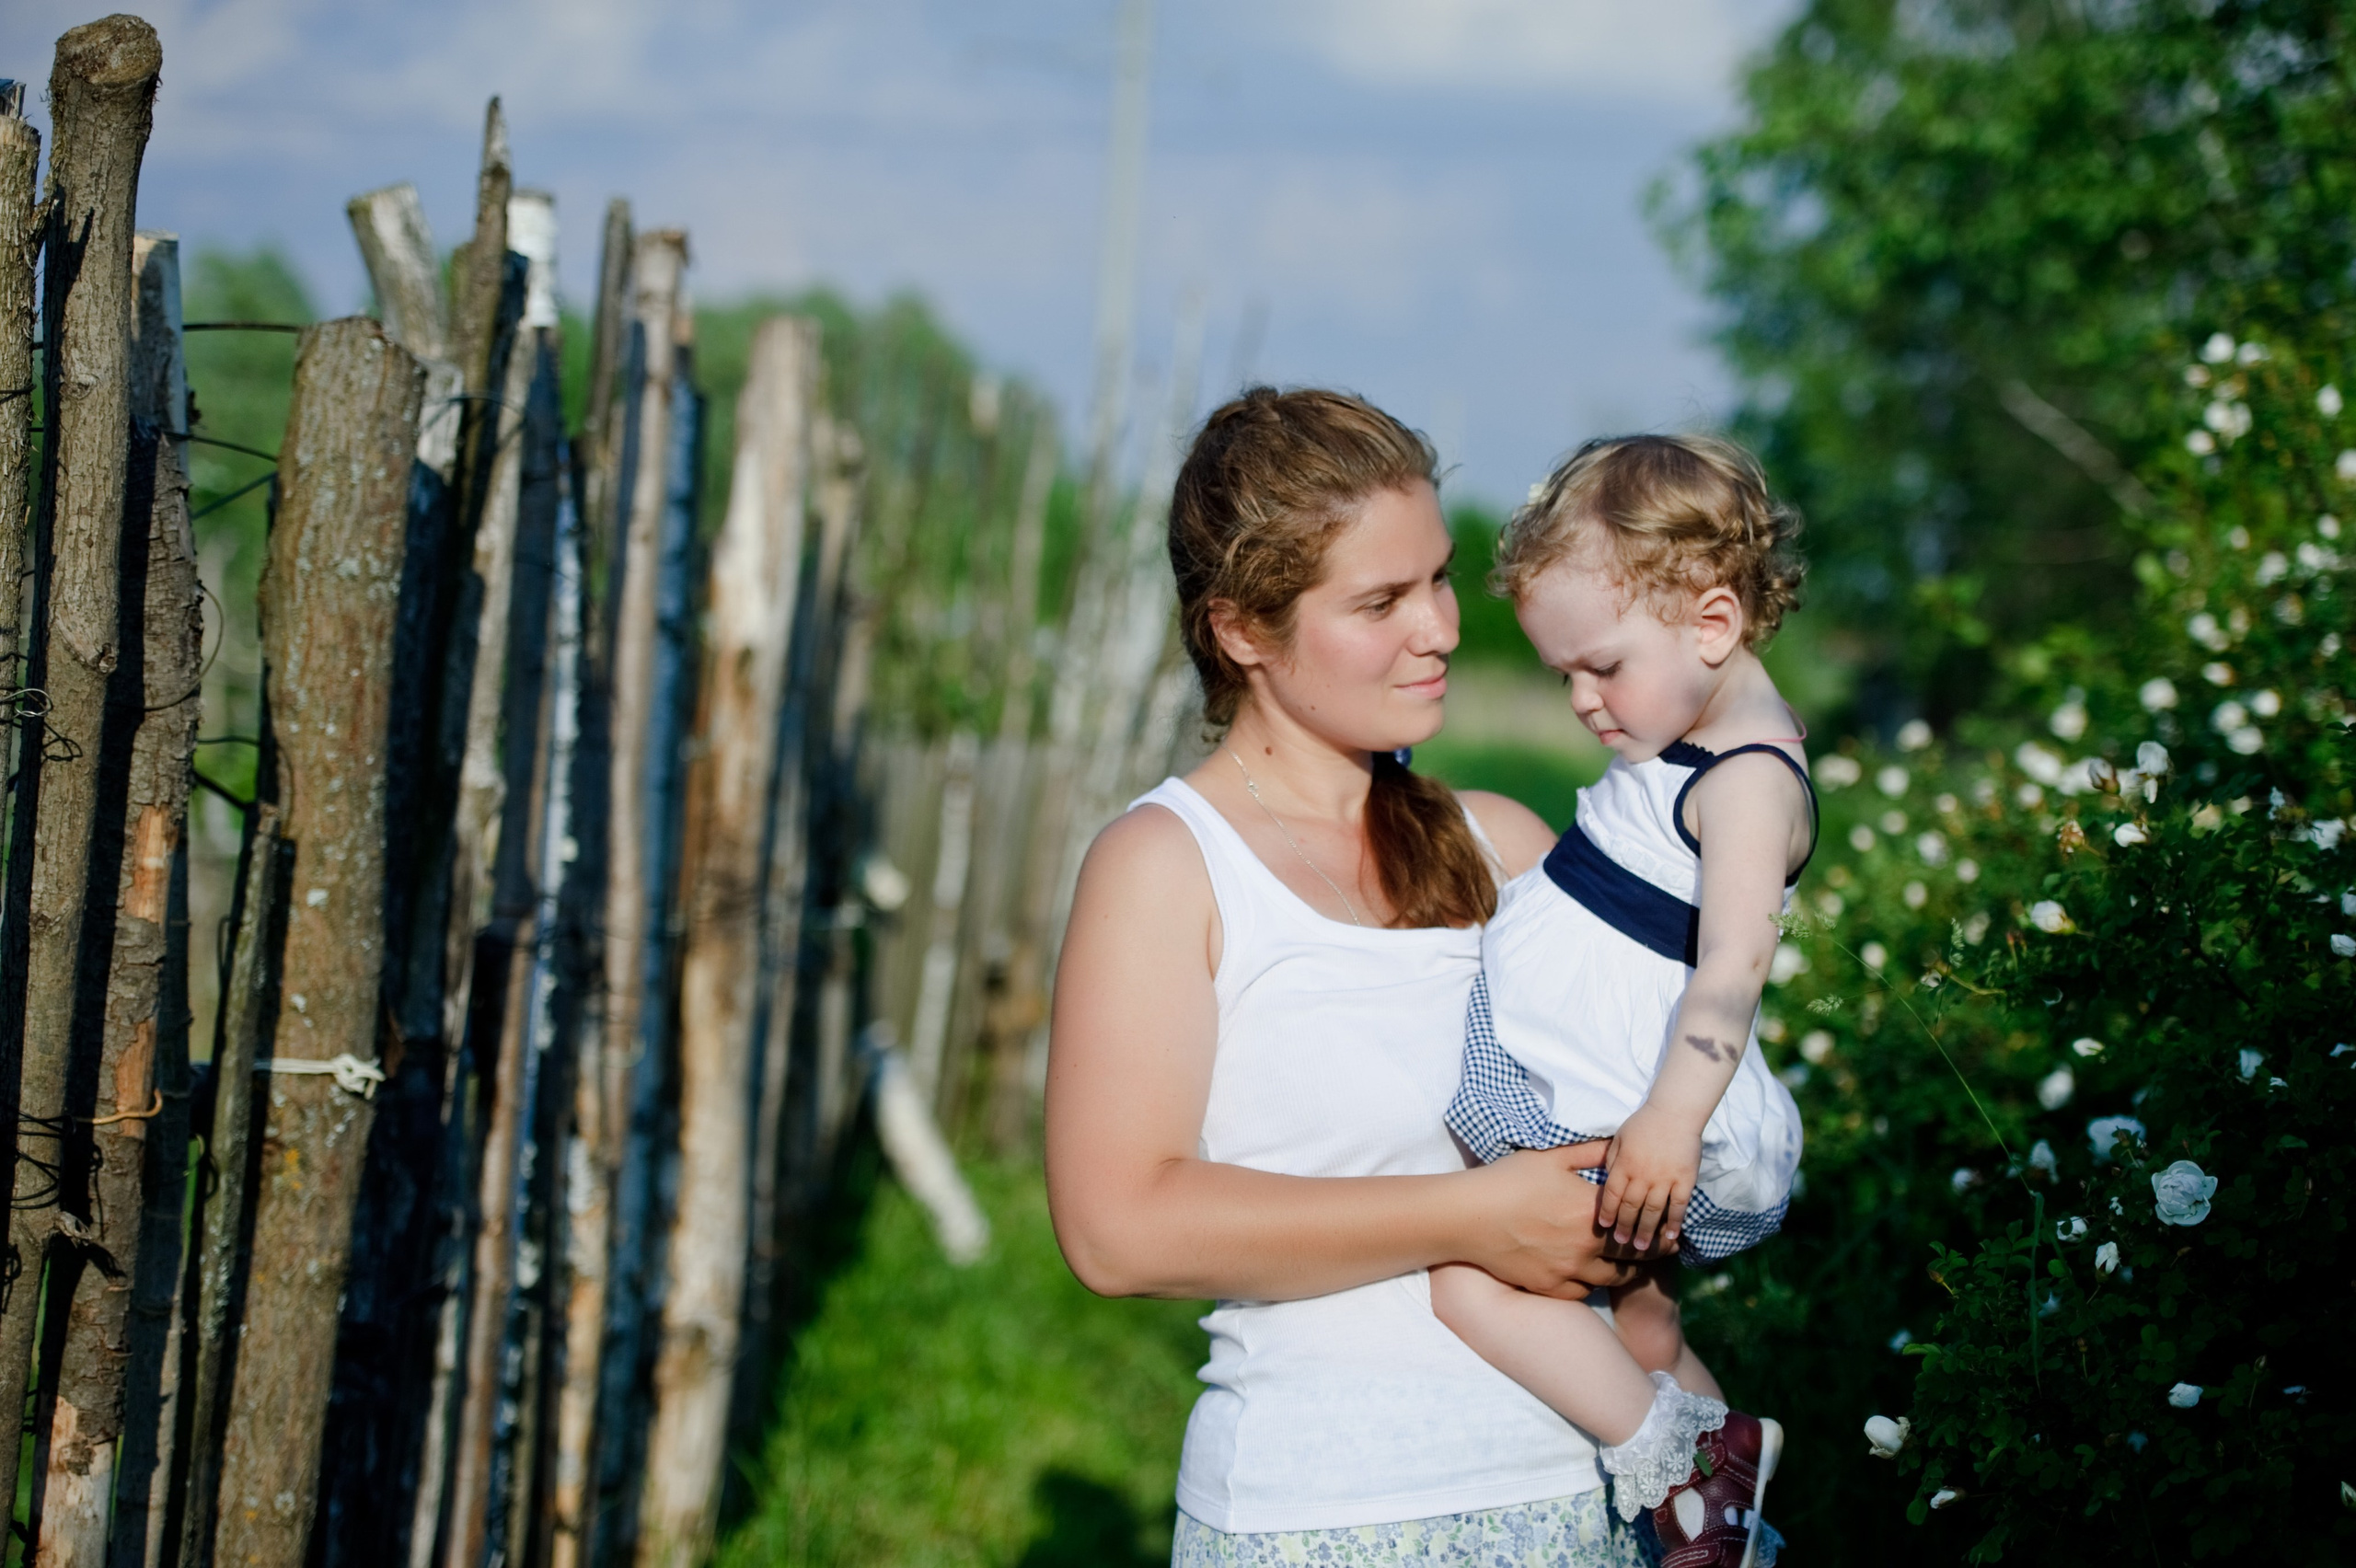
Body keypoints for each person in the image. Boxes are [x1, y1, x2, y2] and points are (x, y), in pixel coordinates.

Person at [1045, 388, 1662, 1565]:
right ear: (1241, 630)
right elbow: (1117, 1228)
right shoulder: (1168, 865)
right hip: (1323, 1516)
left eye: (1438, 579)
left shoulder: (1508, 846)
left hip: (1593, 1499)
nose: (1439, 629)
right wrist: (1477, 1217)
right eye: (1380, 602)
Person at [1427, 435, 1809, 1568]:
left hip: (1632, 1100)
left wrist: (1669, 1121)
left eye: (1600, 667)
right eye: (1563, 677)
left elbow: (1731, 969)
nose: (1582, 702)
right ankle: (1720, 1512)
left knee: (1470, 1282)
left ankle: (1679, 1460)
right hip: (1598, 1073)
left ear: (1712, 623)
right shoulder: (1686, 727)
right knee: (1643, 1321)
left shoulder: (1747, 781)